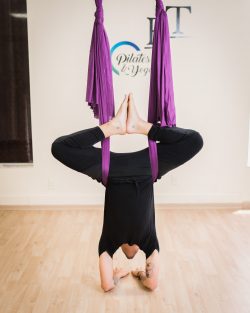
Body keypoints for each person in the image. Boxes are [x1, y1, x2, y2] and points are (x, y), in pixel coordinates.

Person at [51, 93, 204, 292]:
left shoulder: (149, 241)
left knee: (194, 141)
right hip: (121, 169)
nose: (132, 254)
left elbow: (151, 284)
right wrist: (126, 274)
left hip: (142, 169)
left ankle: (129, 127)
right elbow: (108, 285)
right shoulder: (110, 241)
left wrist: (139, 274)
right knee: (60, 148)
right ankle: (128, 127)